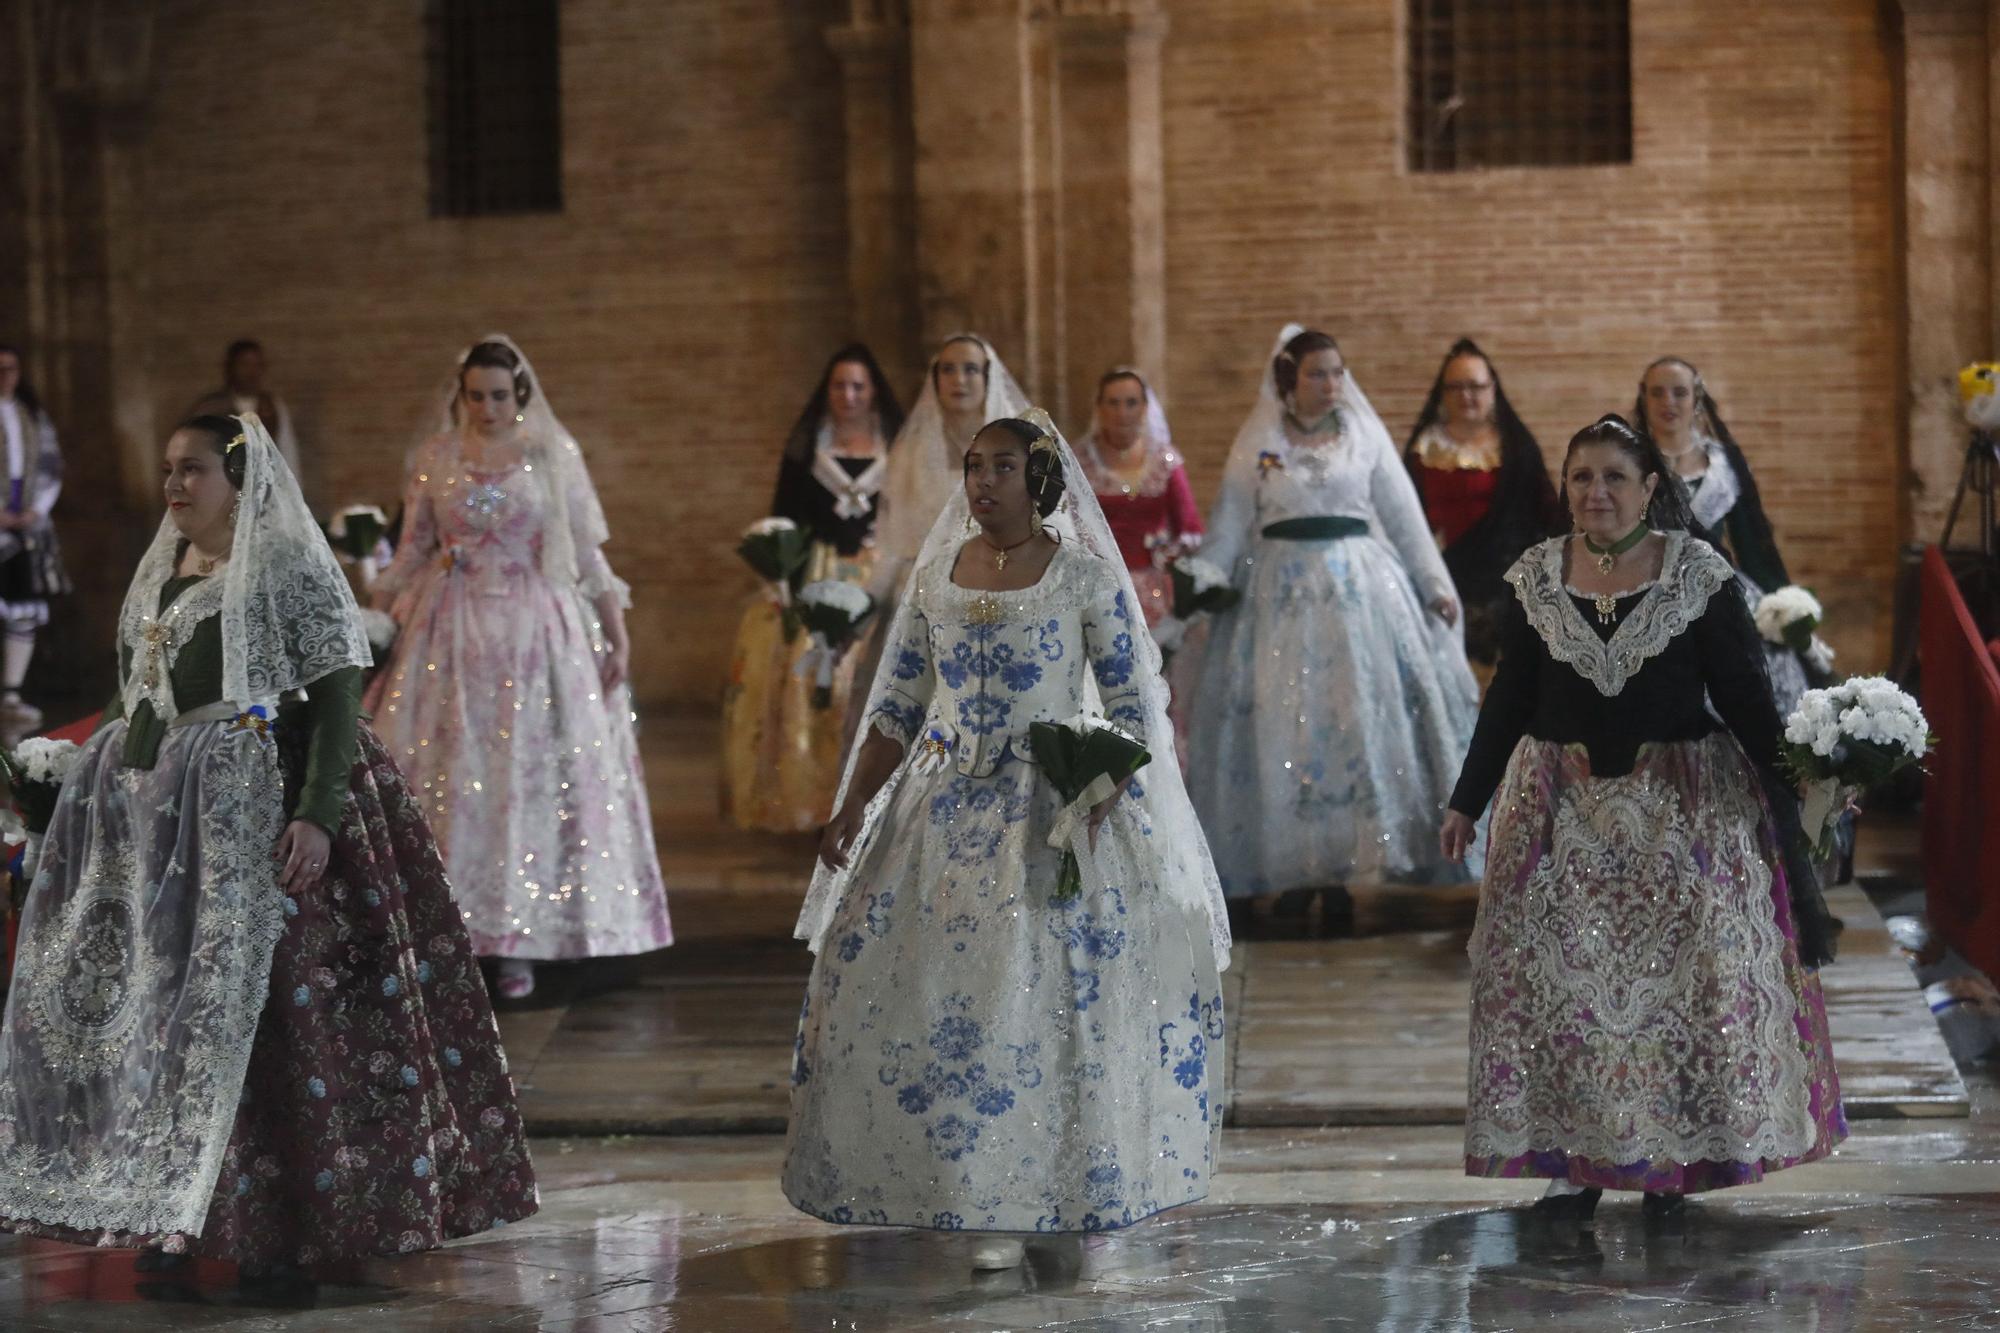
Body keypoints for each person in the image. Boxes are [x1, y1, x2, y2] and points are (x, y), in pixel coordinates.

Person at [0, 412, 536, 1281]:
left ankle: (281, 1235)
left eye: (194, 470)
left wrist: (319, 813)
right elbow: (140, 693)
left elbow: (334, 698)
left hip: (263, 818)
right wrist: (74, 778)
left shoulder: (284, 568)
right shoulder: (162, 571)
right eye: (170, 470)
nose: (175, 486)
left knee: (274, 1032)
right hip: (164, 832)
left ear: (241, 481)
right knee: (165, 1027)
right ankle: (170, 1223)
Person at [785, 409, 1230, 1274]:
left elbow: (1134, 705)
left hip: (1051, 809)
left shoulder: (1084, 579)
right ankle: (973, 1188)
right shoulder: (937, 576)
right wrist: (855, 803)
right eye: (972, 466)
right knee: (954, 1002)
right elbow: (900, 704)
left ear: (1038, 480)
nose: (982, 482)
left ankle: (1057, 1193)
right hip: (944, 813)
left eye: (1000, 467)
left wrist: (1101, 785)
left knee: (1046, 1003)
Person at [1440, 414, 1844, 1222]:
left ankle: (1679, 1160)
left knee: (1676, 997)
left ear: (1650, 488)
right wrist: (1466, 797)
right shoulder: (1537, 577)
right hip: (1562, 818)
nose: (1596, 492)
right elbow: (1510, 697)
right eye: (1581, 476)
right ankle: (1576, 1166)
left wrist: (1808, 781)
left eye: (1614, 477)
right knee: (1568, 996)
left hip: (1682, 815)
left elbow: (1746, 701)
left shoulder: (1699, 576)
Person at [366, 337, 671, 1000]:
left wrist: (616, 636)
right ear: (461, 394)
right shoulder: (437, 457)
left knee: (525, 782)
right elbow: (414, 547)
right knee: (454, 780)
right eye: (475, 395)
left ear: (520, 394)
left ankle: (522, 940)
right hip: (451, 633)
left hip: (538, 636)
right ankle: (450, 933)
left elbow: (587, 553)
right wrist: (369, 617)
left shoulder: (552, 455)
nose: (486, 407)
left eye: (498, 395)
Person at [1181, 325, 1479, 920]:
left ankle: (1344, 875)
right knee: (1287, 729)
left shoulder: (1363, 436)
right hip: (1277, 603)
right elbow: (1231, 519)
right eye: (1318, 373)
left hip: (1357, 598)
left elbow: (1402, 515)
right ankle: (1290, 873)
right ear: (1290, 381)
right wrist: (1205, 580)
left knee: (1352, 725)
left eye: (1338, 372)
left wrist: (1433, 585)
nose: (1331, 384)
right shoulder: (1259, 442)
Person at [721, 344, 904, 831]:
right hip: (818, 575)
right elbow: (784, 516)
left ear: (873, 393)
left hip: (877, 575)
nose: (848, 395)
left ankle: (869, 799)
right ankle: (810, 799)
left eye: (858, 386)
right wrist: (781, 574)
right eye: (839, 385)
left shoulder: (896, 450)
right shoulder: (808, 450)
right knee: (806, 674)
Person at [1632, 356, 1821, 712]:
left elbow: (1752, 544)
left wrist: (1780, 601)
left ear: (1696, 398)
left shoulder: (1723, 464)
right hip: (1646, 591)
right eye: (1657, 393)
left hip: (1722, 590)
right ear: (1644, 399)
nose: (1668, 402)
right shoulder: (1628, 462)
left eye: (1679, 392)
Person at [1403, 338, 1558, 672]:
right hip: (1442, 582)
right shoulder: (1423, 450)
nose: (1466, 395)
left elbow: (1547, 515)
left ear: (1493, 389)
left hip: (1509, 590)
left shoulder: (1516, 448)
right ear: (1442, 394)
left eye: (1475, 386)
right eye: (1455, 386)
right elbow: (1405, 520)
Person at [1075, 368, 1203, 630]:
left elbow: (1188, 526)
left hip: (1158, 591)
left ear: (1145, 407)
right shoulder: (1078, 463)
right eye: (1113, 403)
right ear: (1099, 408)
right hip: (1098, 587)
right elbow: (1068, 524)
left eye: (1131, 403)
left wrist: (1170, 560)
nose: (1122, 412)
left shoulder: (1164, 460)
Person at [0, 343, 71, 728]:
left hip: (26, 525)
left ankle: (11, 693)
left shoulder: (32, 416)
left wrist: (34, 510)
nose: (5, 376)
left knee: (23, 605)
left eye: (10, 368)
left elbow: (51, 466)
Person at [190, 339, 305, 497]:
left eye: (257, 365)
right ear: (231, 368)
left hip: (264, 494)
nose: (251, 372)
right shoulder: (210, 408)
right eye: (245, 365)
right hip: (222, 493)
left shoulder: (272, 406)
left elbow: (287, 451)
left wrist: (292, 493)